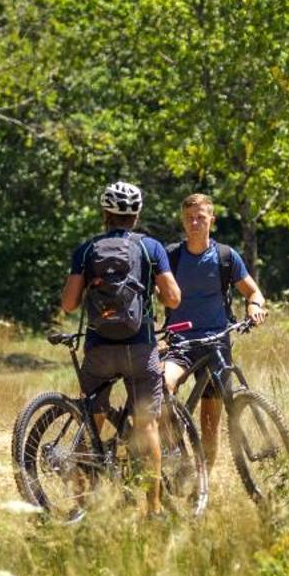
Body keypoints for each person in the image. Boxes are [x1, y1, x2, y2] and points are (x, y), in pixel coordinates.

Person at [57, 181, 182, 516]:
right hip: (139, 348)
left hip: (99, 349)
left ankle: (80, 502)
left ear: (104, 214)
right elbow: (172, 297)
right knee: (147, 425)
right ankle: (153, 508)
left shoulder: (86, 250)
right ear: (136, 215)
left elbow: (69, 304)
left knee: (91, 419)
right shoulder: (150, 248)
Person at [160, 193, 267, 468]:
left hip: (217, 345)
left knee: (210, 422)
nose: (194, 223)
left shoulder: (225, 257)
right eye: (189, 218)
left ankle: (203, 483)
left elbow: (253, 291)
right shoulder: (169, 257)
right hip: (179, 344)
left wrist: (254, 307)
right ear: (183, 222)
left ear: (212, 220)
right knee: (162, 385)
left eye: (200, 218)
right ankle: (176, 454)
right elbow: (145, 298)